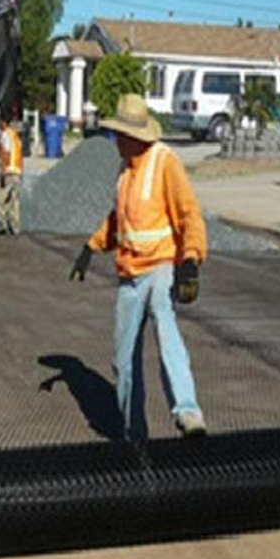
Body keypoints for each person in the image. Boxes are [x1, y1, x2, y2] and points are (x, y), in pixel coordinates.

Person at [69, 93, 207, 444]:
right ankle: (134, 434)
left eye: (119, 135)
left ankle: (187, 412)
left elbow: (189, 213)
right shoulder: (125, 170)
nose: (115, 141)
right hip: (129, 276)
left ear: (136, 136)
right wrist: (91, 247)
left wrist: (190, 260)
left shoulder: (164, 162)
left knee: (166, 327)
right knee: (123, 359)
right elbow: (119, 222)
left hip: (161, 265)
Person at [0, 116, 23, 235]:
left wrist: (1, 173)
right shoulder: (14, 135)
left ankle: (2, 225)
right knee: (14, 201)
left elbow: (6, 154)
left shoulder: (5, 135)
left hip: (9, 172)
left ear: (3, 122)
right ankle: (15, 227)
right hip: (17, 172)